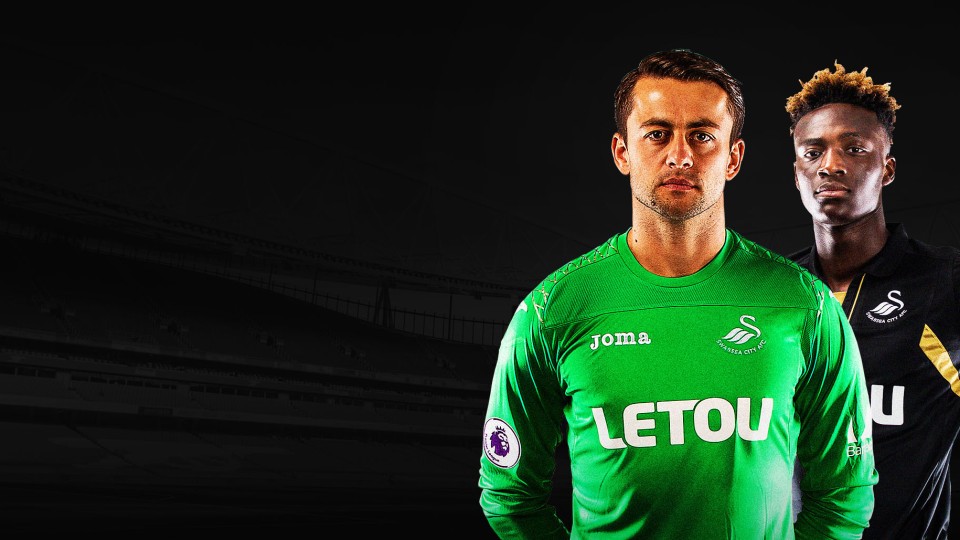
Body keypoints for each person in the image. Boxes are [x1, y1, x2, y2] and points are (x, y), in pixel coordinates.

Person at [477, 48, 878, 539]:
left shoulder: (805, 305)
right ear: (622, 152)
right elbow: (509, 496)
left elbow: (845, 495)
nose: (680, 156)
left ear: (733, 158)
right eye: (657, 134)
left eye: (702, 135)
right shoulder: (552, 310)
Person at [785, 61, 960, 539]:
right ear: (797, 173)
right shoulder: (774, 291)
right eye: (813, 152)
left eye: (855, 149)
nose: (831, 165)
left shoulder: (945, 280)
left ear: (887, 169)